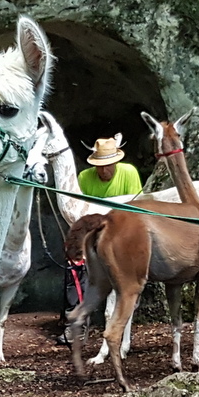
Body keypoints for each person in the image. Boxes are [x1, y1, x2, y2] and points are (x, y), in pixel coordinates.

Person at [58, 134, 143, 345]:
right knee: (74, 266)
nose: (104, 170)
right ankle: (75, 324)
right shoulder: (85, 178)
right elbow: (81, 214)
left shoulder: (129, 173)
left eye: (109, 165)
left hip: (121, 236)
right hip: (92, 235)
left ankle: (122, 318)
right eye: (100, 166)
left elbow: (136, 209)